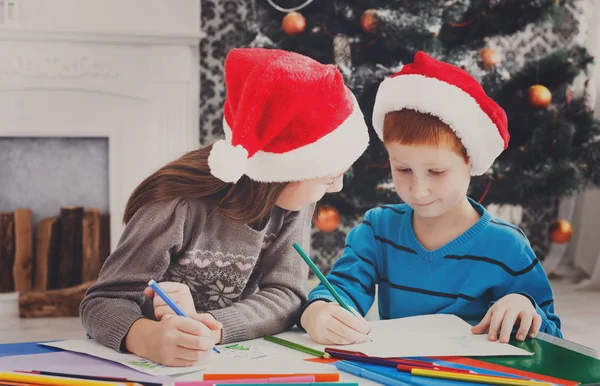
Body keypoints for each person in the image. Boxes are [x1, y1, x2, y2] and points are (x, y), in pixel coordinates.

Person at [80, 47, 370, 366]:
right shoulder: (175, 205)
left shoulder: (291, 206)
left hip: (220, 360)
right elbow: (103, 301)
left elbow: (286, 296)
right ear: (280, 173)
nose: (337, 188)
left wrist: (213, 326)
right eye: (328, 178)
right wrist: (144, 336)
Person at [299, 51, 562, 347]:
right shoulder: (378, 229)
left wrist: (523, 306)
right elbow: (342, 289)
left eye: (436, 171)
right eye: (403, 169)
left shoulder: (507, 246)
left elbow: (552, 335)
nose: (418, 190)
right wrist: (319, 310)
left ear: (471, 163)